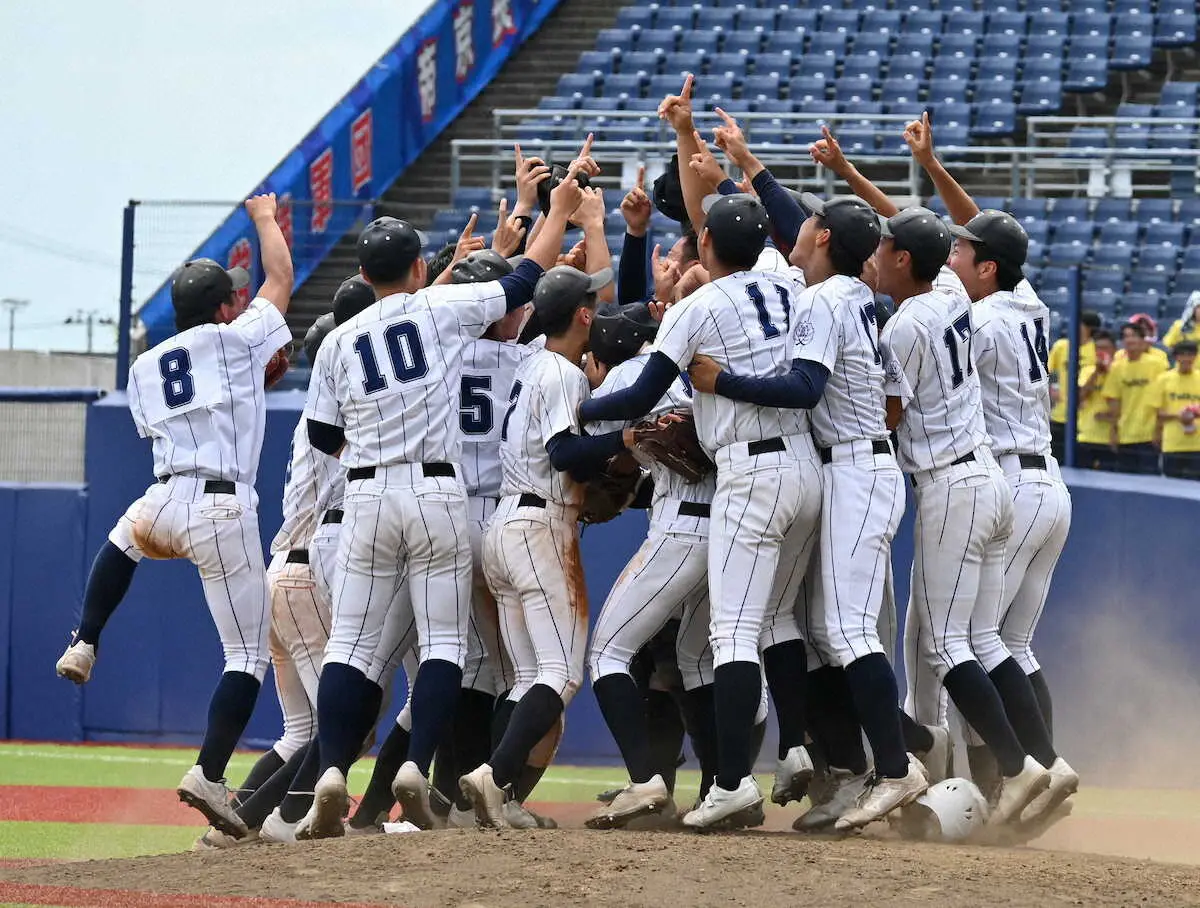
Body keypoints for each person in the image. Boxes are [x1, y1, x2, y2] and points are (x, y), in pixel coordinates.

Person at [297, 167, 582, 838]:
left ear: (364, 274)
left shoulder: (339, 340)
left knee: (353, 648)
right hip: (437, 489)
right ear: (420, 266)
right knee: (447, 642)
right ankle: (415, 766)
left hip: (365, 488)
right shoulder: (437, 307)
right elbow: (522, 282)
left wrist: (369, 454)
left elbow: (319, 433)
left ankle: (332, 771)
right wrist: (557, 211)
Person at [576, 191, 822, 831]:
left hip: (734, 483)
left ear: (706, 244)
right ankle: (737, 775)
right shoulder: (791, 286)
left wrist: (584, 409)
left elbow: (647, 392)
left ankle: (696, 782)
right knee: (720, 645)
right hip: (803, 467)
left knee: (624, 651)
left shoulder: (698, 306)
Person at [55, 195, 294, 835]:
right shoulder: (238, 337)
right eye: (232, 297)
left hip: (163, 493)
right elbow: (280, 280)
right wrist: (267, 221)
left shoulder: (142, 365)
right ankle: (209, 776)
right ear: (221, 308)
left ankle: (85, 639)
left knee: (123, 539)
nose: (241, 302)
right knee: (246, 658)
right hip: (222, 506)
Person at [906, 113, 1078, 821]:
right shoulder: (1026, 303)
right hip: (1051, 489)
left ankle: (1025, 771)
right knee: (1012, 642)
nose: (953, 257)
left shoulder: (983, 321)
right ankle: (1042, 767)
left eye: (963, 254)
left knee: (966, 640)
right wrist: (934, 167)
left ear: (987, 270)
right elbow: (983, 235)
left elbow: (933, 262)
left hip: (1005, 477)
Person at [871, 201, 1053, 827]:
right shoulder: (952, 293)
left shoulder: (907, 324)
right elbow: (941, 254)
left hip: (950, 482)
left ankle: (1017, 767)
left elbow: (890, 415)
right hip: (991, 480)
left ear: (902, 261)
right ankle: (1040, 765)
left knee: (946, 644)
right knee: (984, 639)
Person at [459, 261, 641, 827]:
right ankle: (493, 776)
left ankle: (501, 800)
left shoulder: (532, 360)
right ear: (583, 315)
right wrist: (625, 439)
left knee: (525, 677)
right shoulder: (561, 373)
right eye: (592, 302)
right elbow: (564, 452)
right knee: (561, 674)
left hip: (504, 528)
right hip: (540, 527)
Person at [1103, 320, 1168, 475]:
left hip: (1150, 435)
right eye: (1126, 336)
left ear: (1142, 340)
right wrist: (1113, 431)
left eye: (1134, 336)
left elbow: (1164, 398)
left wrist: (1160, 430)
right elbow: (1114, 401)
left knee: (1150, 481)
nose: (1130, 340)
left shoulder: (1157, 364)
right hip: (1125, 435)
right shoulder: (1117, 367)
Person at [1046, 311, 1101, 464]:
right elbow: (1049, 370)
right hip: (1059, 414)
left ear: (1088, 328)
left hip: (1084, 417)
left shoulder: (1096, 350)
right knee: (1056, 460)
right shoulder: (1061, 346)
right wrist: (1053, 386)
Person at [1149, 340, 1200, 479]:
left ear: (1195, 357)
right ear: (1176, 357)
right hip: (1172, 444)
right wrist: (1179, 416)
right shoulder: (1163, 379)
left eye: (1190, 355)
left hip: (1198, 446)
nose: (1186, 359)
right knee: (1171, 486)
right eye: (1182, 355)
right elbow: (1158, 412)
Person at [1075, 330, 1119, 471]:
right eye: (1098, 348)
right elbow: (1080, 396)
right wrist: (1096, 373)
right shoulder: (1087, 371)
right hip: (1086, 436)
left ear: (1114, 350)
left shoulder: (1120, 371)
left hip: (1110, 438)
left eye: (1105, 348)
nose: (1101, 351)